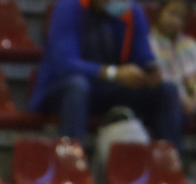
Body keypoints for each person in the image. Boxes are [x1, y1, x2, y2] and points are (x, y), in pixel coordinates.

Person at [29, 0, 184, 149]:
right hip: (64, 90)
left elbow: (144, 56)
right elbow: (65, 64)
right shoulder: (69, 7)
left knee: (167, 91)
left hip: (110, 90)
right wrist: (113, 73)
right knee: (77, 86)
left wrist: (150, 72)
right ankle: (72, 165)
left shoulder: (133, 11)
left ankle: (170, 165)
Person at [148, 0, 196, 130]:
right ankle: (172, 149)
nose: (175, 21)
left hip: (195, 100)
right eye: (171, 14)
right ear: (160, 13)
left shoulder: (190, 44)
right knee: (170, 102)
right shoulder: (148, 43)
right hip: (166, 98)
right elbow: (161, 79)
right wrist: (183, 99)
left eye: (180, 18)